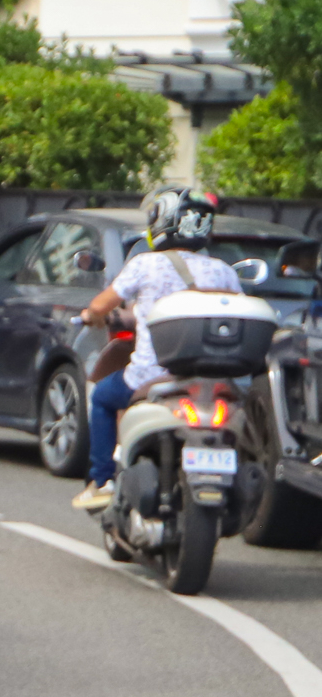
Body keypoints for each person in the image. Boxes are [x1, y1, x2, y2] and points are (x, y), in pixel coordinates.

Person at [72, 189, 241, 512]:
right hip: (211, 381)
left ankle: (103, 480)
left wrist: (91, 316)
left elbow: (100, 305)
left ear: (162, 222)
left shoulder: (145, 264)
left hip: (151, 378)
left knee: (102, 398)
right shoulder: (223, 271)